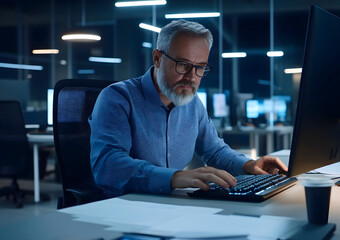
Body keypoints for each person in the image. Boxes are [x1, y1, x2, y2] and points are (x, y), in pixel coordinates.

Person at [89, 19, 288, 196]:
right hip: (123, 206)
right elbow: (108, 165)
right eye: (183, 65)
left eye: (200, 67)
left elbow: (215, 151)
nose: (192, 77)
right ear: (157, 58)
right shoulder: (117, 98)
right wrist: (174, 177)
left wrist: (248, 165)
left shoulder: (192, 104)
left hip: (172, 206)